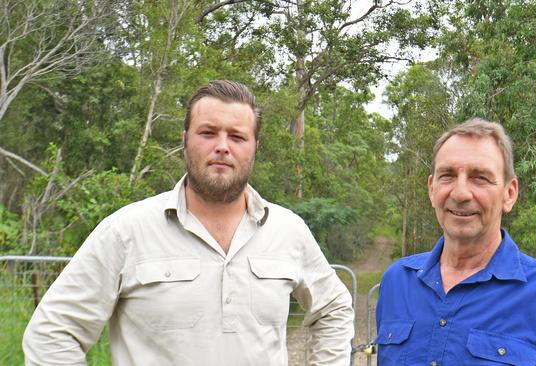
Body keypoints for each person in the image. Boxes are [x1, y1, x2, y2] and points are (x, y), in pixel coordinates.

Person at [23, 80, 354, 366]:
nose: (222, 146)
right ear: (185, 138)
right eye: (208, 133)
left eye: (237, 137)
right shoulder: (126, 231)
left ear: (255, 147)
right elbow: (52, 333)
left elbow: (334, 309)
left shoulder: (288, 231)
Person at [375, 118, 536, 365]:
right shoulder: (397, 282)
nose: (460, 193)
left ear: (509, 193)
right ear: (431, 189)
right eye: (447, 175)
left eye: (479, 177)